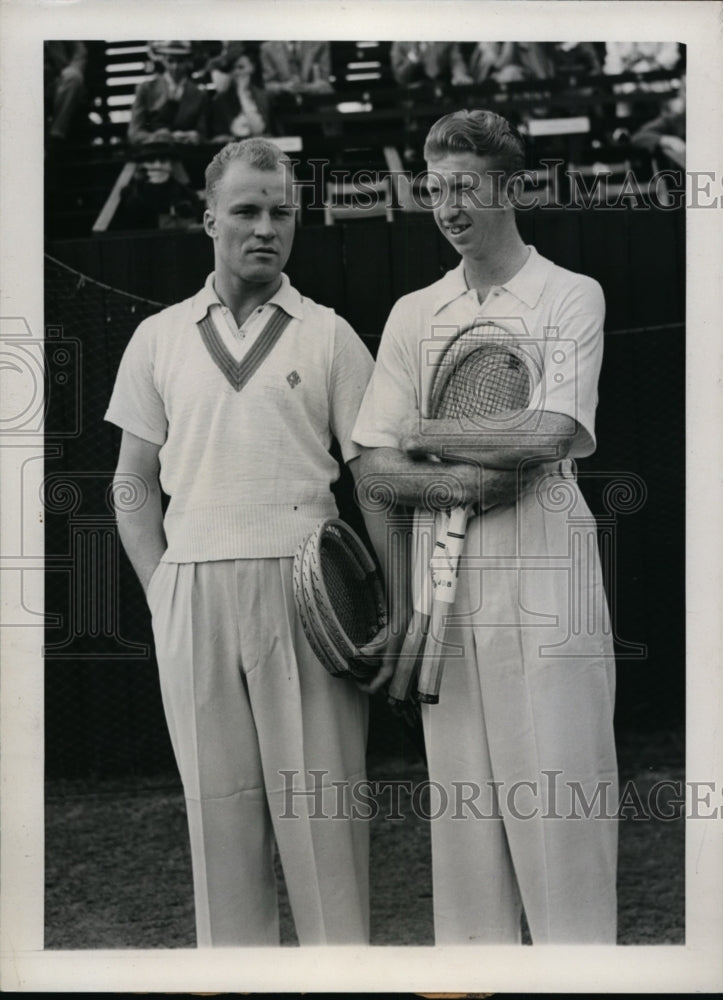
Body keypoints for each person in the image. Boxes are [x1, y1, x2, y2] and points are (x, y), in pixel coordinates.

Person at [105, 138, 387, 946]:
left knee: (323, 815)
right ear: (208, 219)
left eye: (280, 212)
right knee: (219, 819)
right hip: (192, 590)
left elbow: (367, 482)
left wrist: (387, 602)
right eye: (246, 211)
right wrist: (161, 589)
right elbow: (130, 483)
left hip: (309, 589)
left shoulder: (328, 334)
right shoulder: (158, 336)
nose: (265, 228)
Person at [353, 109, 618, 944]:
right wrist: (470, 467)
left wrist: (426, 435)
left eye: (465, 187)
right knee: (465, 828)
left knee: (562, 811)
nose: (448, 206)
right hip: (446, 586)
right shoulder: (411, 312)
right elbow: (369, 467)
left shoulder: (571, 293)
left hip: (548, 569)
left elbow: (547, 436)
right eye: (434, 190)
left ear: (512, 188)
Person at [127, 40, 208, 146]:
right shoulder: (146, 89)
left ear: (188, 62)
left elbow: (203, 133)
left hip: (187, 154)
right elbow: (134, 132)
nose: (175, 66)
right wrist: (155, 137)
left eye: (180, 61)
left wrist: (194, 136)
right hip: (152, 154)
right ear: (163, 60)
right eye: (171, 60)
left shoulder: (199, 95)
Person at [112, 143, 203, 231]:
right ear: (142, 165)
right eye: (151, 161)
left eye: (163, 161)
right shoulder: (130, 192)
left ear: (170, 165)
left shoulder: (186, 193)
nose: (158, 166)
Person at [208, 45, 272, 142]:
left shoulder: (263, 96)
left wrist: (243, 94)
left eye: (241, 67)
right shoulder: (221, 100)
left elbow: (258, 129)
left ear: (252, 68)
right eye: (233, 68)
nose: (237, 72)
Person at [259, 40, 334, 95]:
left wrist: (306, 88)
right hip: (282, 101)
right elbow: (267, 85)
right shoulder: (267, 48)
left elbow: (325, 83)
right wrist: (283, 87)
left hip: (314, 99)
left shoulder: (320, 44)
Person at [390, 42, 472, 87]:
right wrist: (412, 60)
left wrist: (459, 75)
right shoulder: (401, 42)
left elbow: (456, 60)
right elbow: (400, 77)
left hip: (443, 89)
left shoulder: (447, 39)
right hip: (413, 94)